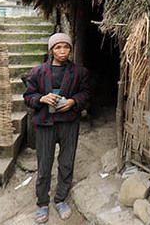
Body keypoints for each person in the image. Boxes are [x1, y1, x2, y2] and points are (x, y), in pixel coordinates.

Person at [23, 32, 91, 223]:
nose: (62, 51)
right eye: (58, 47)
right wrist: (42, 98)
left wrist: (73, 101)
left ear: (70, 49)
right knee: (44, 164)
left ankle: (60, 199)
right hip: (45, 123)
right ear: (51, 50)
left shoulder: (79, 72)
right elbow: (28, 97)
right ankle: (42, 203)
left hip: (69, 122)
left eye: (66, 47)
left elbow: (86, 94)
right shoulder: (37, 72)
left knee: (67, 161)